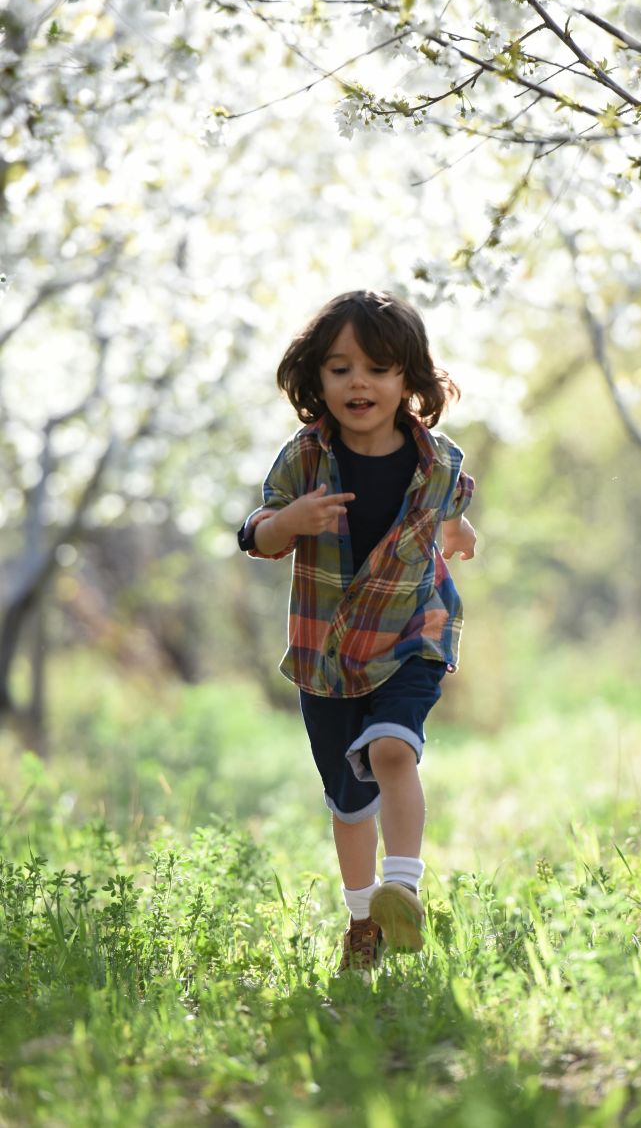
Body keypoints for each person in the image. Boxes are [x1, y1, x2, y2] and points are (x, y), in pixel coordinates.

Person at [237, 289, 476, 977]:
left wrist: (459, 532)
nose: (358, 383)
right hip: (330, 655)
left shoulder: (438, 460)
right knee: (349, 799)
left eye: (377, 368)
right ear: (316, 381)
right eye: (340, 369)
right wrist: (288, 524)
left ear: (409, 381)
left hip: (413, 632)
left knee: (394, 751)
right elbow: (256, 531)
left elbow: (452, 504)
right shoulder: (305, 461)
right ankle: (363, 918)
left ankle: (403, 886)